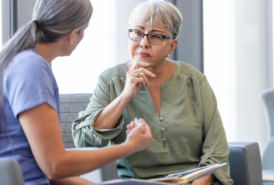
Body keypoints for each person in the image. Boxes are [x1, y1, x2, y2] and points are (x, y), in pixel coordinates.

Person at [72, 0, 234, 185]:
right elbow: (84, 142)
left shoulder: (194, 81)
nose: (144, 43)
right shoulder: (110, 80)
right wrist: (125, 95)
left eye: (155, 36)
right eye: (137, 33)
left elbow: (217, 148)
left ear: (172, 46)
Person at [0, 0, 152, 185]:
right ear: (73, 35)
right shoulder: (33, 68)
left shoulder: (24, 63)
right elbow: (55, 165)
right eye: (84, 31)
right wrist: (130, 146)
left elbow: (51, 171)